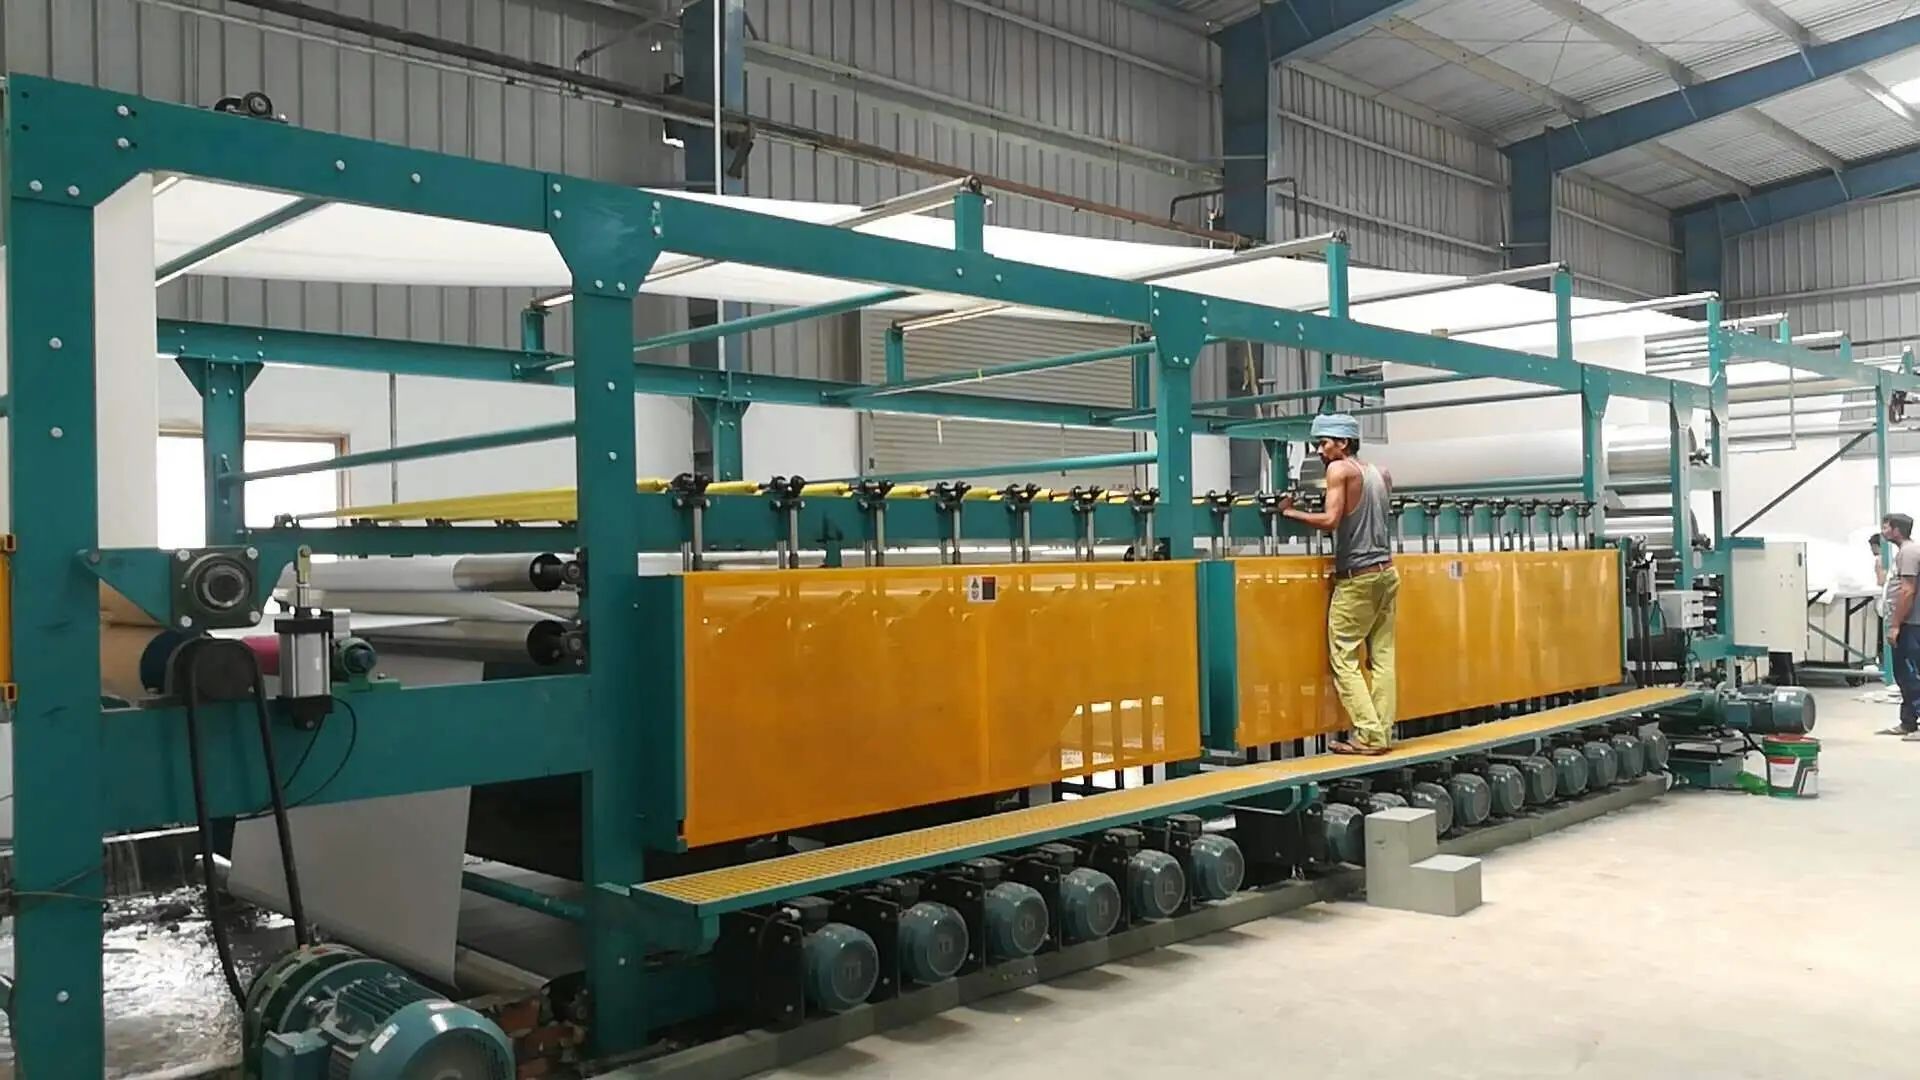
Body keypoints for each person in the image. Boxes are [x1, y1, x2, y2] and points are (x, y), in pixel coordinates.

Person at [1278, 413, 1398, 756]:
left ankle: (1370, 736)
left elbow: (1332, 520)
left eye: (1324, 443)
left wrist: (1290, 512)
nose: (1320, 451)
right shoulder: (1381, 473)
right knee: (1383, 657)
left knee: (1344, 656)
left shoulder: (1339, 470)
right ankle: (1382, 732)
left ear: (1343, 443)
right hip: (1387, 573)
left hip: (1357, 578)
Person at [1879, 513, 1920, 740]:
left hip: (1911, 624)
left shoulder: (1909, 552)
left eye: (1886, 527)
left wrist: (1895, 625)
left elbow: (1907, 590)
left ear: (1896, 530)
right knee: (1903, 675)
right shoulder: (1904, 552)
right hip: (1907, 623)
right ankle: (1908, 722)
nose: (1883, 531)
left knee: (1912, 676)